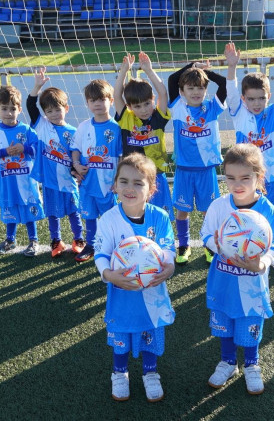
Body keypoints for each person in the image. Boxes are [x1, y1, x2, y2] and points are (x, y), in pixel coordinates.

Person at [93, 153, 176, 402]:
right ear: (115, 185)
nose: (130, 188)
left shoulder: (159, 217)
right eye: (124, 181)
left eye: (138, 183)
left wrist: (169, 266)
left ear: (151, 189)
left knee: (150, 330)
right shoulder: (108, 220)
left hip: (152, 293)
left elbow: (168, 248)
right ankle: (119, 372)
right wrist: (108, 274)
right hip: (121, 293)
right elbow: (101, 253)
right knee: (121, 332)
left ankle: (150, 373)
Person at [200, 143, 274, 395]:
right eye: (230, 178)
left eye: (245, 177)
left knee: (249, 323)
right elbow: (205, 234)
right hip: (223, 279)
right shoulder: (219, 206)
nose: (238, 184)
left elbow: (273, 245)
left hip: (252, 283)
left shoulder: (267, 210)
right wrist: (221, 247)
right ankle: (228, 361)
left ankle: (252, 364)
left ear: (259, 177)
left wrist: (262, 263)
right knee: (224, 319)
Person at [224, 42, 274, 271]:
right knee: (243, 214)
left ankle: (270, 253)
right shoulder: (238, 113)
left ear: (268, 97)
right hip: (243, 177)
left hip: (269, 175)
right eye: (252, 99)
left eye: (261, 98)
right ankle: (239, 250)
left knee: (269, 213)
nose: (257, 103)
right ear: (244, 98)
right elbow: (231, 93)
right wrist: (232, 67)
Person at [167, 58, 227, 265]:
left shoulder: (212, 108)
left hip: (206, 169)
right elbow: (172, 78)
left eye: (200, 88)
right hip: (184, 169)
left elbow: (225, 84)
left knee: (207, 211)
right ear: (182, 91)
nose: (195, 92)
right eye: (190, 88)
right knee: (182, 210)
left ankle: (209, 245)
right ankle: (183, 245)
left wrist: (205, 74)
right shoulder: (177, 107)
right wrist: (193, 66)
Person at [27, 67, 86, 258]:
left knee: (73, 211)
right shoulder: (42, 126)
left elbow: (76, 156)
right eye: (49, 111)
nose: (53, 114)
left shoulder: (73, 131)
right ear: (44, 113)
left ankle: (78, 239)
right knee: (52, 213)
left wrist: (77, 171)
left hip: (68, 181)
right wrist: (37, 86)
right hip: (50, 181)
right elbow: (30, 105)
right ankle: (56, 241)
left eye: (57, 109)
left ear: (66, 109)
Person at [0, 86, 43, 256]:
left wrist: (23, 148)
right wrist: (4, 152)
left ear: (19, 109)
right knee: (10, 208)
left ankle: (34, 240)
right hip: (7, 181)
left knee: (29, 209)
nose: (9, 113)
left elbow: (37, 147)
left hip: (26, 181)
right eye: (4, 109)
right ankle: (10, 240)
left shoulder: (26, 130)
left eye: (12, 109)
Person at [113, 52, 173, 214]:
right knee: (136, 214)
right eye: (138, 106)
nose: (144, 109)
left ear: (152, 99)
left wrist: (148, 70)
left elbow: (163, 93)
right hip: (132, 178)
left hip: (156, 175)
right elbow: (116, 95)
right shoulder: (127, 118)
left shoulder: (158, 117)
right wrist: (124, 70)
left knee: (160, 214)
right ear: (130, 107)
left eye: (147, 104)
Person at [70, 79, 122, 262]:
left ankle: (113, 245)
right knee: (89, 215)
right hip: (87, 183)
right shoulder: (84, 127)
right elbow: (75, 148)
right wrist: (76, 164)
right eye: (93, 100)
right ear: (87, 103)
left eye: (101, 99)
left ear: (111, 101)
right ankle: (90, 245)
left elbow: (122, 157)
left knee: (111, 217)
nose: (97, 104)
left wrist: (119, 180)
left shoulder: (117, 128)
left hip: (108, 184)